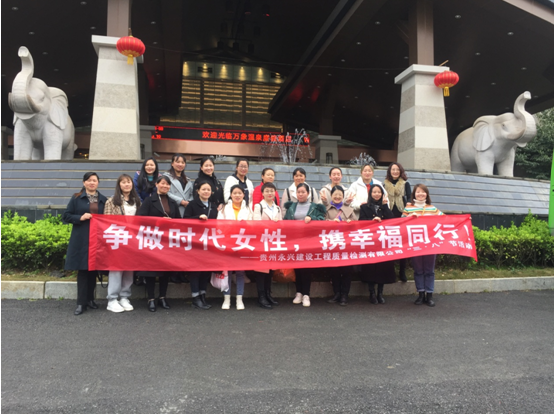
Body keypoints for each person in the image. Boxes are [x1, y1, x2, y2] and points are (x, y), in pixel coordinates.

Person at [63, 172, 107, 316]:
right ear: (84, 183)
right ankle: (81, 303)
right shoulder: (76, 198)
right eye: (89, 180)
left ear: (98, 183)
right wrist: (80, 217)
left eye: (94, 180)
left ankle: (90, 299)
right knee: (83, 270)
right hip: (82, 239)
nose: (92, 183)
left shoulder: (104, 200)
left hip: (97, 240)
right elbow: (66, 216)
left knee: (93, 270)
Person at [136, 175, 180, 312]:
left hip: (167, 241)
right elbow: (140, 218)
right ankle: (151, 298)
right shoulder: (149, 201)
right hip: (153, 240)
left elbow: (179, 221)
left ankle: (162, 297)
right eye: (162, 183)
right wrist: (158, 221)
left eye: (167, 184)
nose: (165, 186)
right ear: (156, 184)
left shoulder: (173, 202)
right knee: (150, 270)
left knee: (165, 271)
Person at [103, 174, 141, 313]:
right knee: (116, 269)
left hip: (132, 240)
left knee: (129, 269)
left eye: (129, 182)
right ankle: (112, 299)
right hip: (117, 239)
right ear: (119, 185)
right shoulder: (112, 201)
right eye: (123, 182)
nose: (126, 184)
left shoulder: (137, 201)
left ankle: (124, 296)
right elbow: (106, 222)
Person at [284, 183, 326, 307]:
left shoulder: (314, 207)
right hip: (295, 241)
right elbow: (286, 221)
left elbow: (322, 220)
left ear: (308, 193)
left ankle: (306, 294)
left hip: (309, 242)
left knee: (306, 268)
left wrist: (312, 219)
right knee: (297, 267)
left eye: (303, 192)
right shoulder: (291, 207)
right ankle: (299, 292)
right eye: (299, 192)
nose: (301, 194)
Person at [402, 184, 444, 307]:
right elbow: (400, 224)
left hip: (430, 244)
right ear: (414, 194)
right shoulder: (408, 208)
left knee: (429, 270)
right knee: (418, 270)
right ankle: (421, 294)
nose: (420, 194)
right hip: (415, 244)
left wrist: (464, 220)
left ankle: (429, 295)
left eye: (423, 192)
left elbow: (446, 220)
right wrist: (409, 218)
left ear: (427, 194)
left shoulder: (433, 209)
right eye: (418, 192)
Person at [184, 181, 219, 310]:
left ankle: (203, 295)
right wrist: (197, 218)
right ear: (198, 191)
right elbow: (184, 220)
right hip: (195, 243)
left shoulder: (213, 206)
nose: (206, 192)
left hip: (209, 242)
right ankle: (195, 297)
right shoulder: (192, 204)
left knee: (206, 270)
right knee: (196, 270)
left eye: (208, 190)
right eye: (203, 189)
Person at [217, 185, 253, 310]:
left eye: (239, 193)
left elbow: (253, 225)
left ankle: (239, 299)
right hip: (227, 243)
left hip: (242, 243)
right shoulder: (224, 209)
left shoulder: (248, 209)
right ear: (231, 195)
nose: (237, 195)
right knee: (226, 272)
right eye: (235, 193)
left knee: (240, 272)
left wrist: (245, 224)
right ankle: (226, 299)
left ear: (243, 195)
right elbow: (219, 224)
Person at [359, 184, 396, 304]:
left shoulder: (384, 206)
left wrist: (385, 206)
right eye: (374, 192)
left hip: (383, 242)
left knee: (382, 268)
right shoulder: (364, 207)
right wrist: (372, 221)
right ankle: (372, 293)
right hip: (370, 241)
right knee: (370, 268)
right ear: (370, 194)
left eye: (379, 192)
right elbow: (360, 222)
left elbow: (391, 219)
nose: (376, 194)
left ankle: (380, 293)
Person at [252, 182, 283, 309]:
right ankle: (261, 296)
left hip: (273, 242)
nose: (270, 193)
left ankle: (268, 294)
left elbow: (282, 226)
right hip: (262, 242)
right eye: (267, 191)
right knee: (261, 271)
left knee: (270, 270)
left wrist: (278, 223)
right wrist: (271, 224)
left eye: (272, 191)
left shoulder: (278, 208)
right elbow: (256, 224)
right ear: (262, 193)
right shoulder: (258, 206)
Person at [324, 186, 356, 306]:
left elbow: (357, 225)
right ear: (331, 196)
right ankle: (336, 293)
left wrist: (350, 223)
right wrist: (329, 223)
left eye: (340, 195)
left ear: (343, 196)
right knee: (334, 271)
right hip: (332, 245)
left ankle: (344, 295)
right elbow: (320, 225)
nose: (337, 197)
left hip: (347, 245)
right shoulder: (326, 209)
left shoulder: (349, 210)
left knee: (347, 271)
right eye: (335, 195)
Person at [383, 162, 411, 282]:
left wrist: (407, 211)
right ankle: (390, 271)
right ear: (390, 171)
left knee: (402, 244)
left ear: (400, 171)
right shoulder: (384, 184)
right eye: (393, 169)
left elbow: (409, 198)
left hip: (402, 216)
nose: (395, 172)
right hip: (388, 216)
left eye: (397, 169)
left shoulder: (405, 184)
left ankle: (402, 271)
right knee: (389, 244)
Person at [164, 153, 193, 218]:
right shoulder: (166, 177)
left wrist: (189, 202)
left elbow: (192, 194)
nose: (180, 164)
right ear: (172, 163)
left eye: (182, 162)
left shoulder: (188, 180)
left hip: (186, 211)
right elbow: (166, 193)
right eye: (177, 162)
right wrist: (181, 201)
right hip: (172, 210)